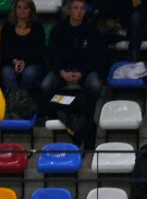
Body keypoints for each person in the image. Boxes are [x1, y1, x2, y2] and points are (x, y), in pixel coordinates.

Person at [41, 0, 108, 147]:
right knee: (46, 85)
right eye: (75, 8)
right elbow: (51, 56)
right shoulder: (58, 29)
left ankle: (86, 119)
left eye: (82, 8)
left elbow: (95, 57)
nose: (79, 11)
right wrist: (62, 73)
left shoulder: (92, 30)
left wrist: (82, 73)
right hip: (62, 71)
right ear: (69, 11)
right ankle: (67, 117)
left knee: (95, 85)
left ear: (85, 11)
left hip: (83, 71)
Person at [0, 0, 48, 97]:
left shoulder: (37, 28)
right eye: (19, 8)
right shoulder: (7, 28)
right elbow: (4, 50)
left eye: (25, 8)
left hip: (33, 63)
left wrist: (25, 61)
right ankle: (16, 101)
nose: (22, 11)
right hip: (11, 63)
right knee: (7, 73)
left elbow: (39, 50)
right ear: (15, 10)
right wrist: (15, 61)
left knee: (29, 73)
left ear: (31, 10)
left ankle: (27, 100)